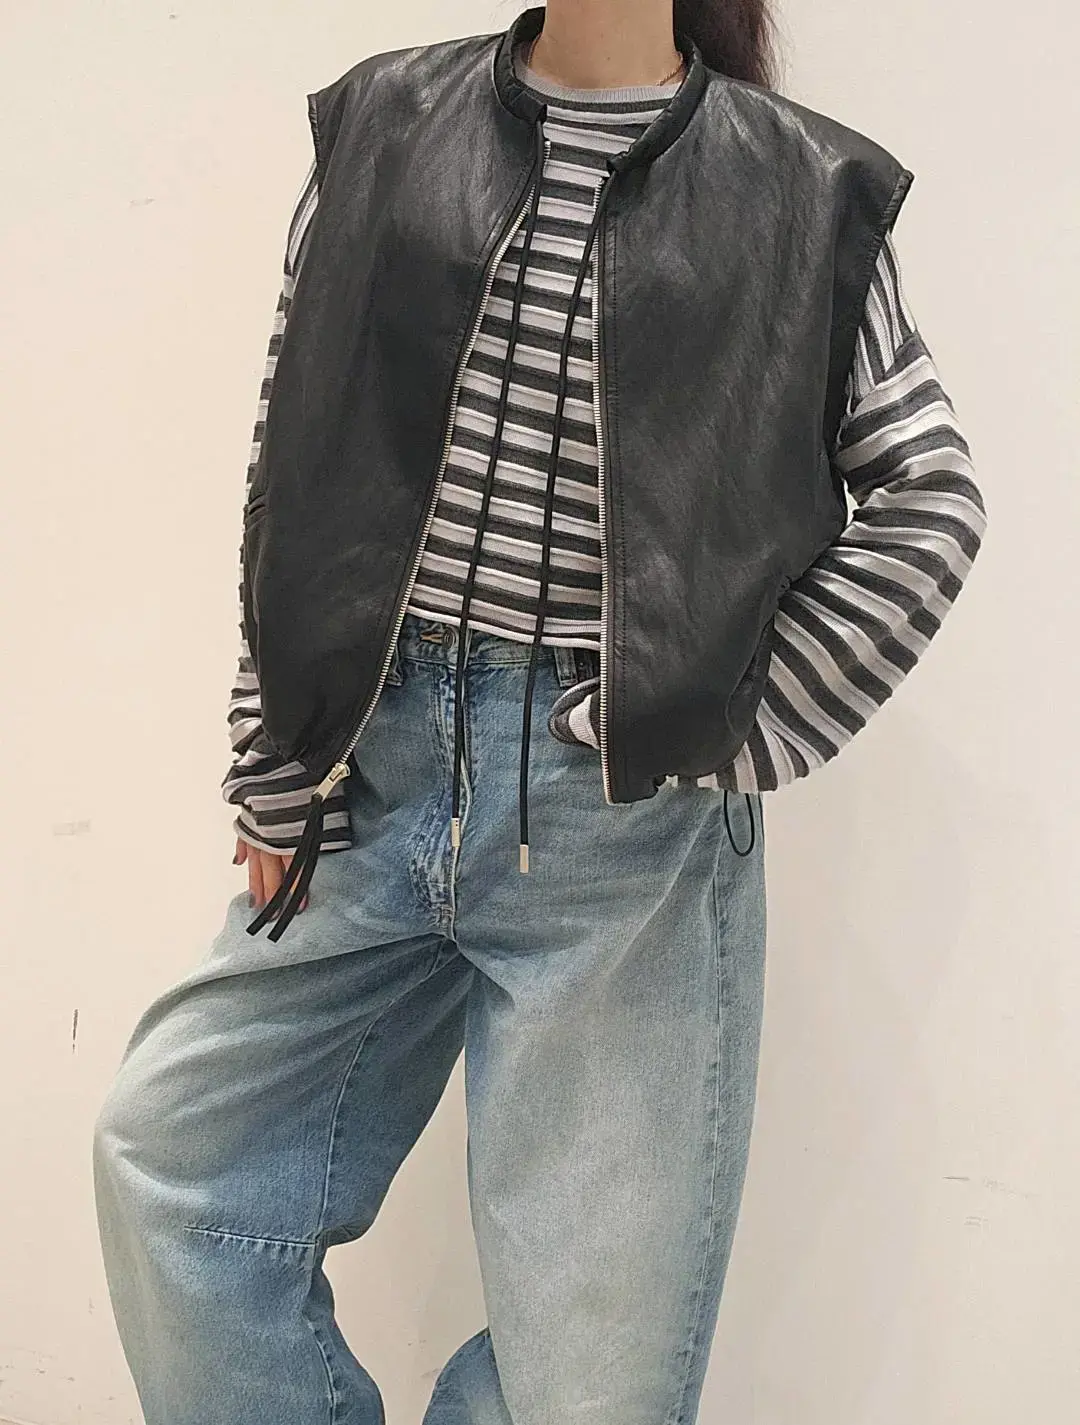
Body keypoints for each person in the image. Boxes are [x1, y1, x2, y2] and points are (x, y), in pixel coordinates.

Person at [93, 3, 988, 1421]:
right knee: (179, 1174)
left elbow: (928, 498)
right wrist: (275, 756)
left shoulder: (802, 188)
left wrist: (726, 730)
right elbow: (296, 455)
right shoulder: (384, 122)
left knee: (594, 1380)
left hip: (620, 835)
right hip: (368, 777)